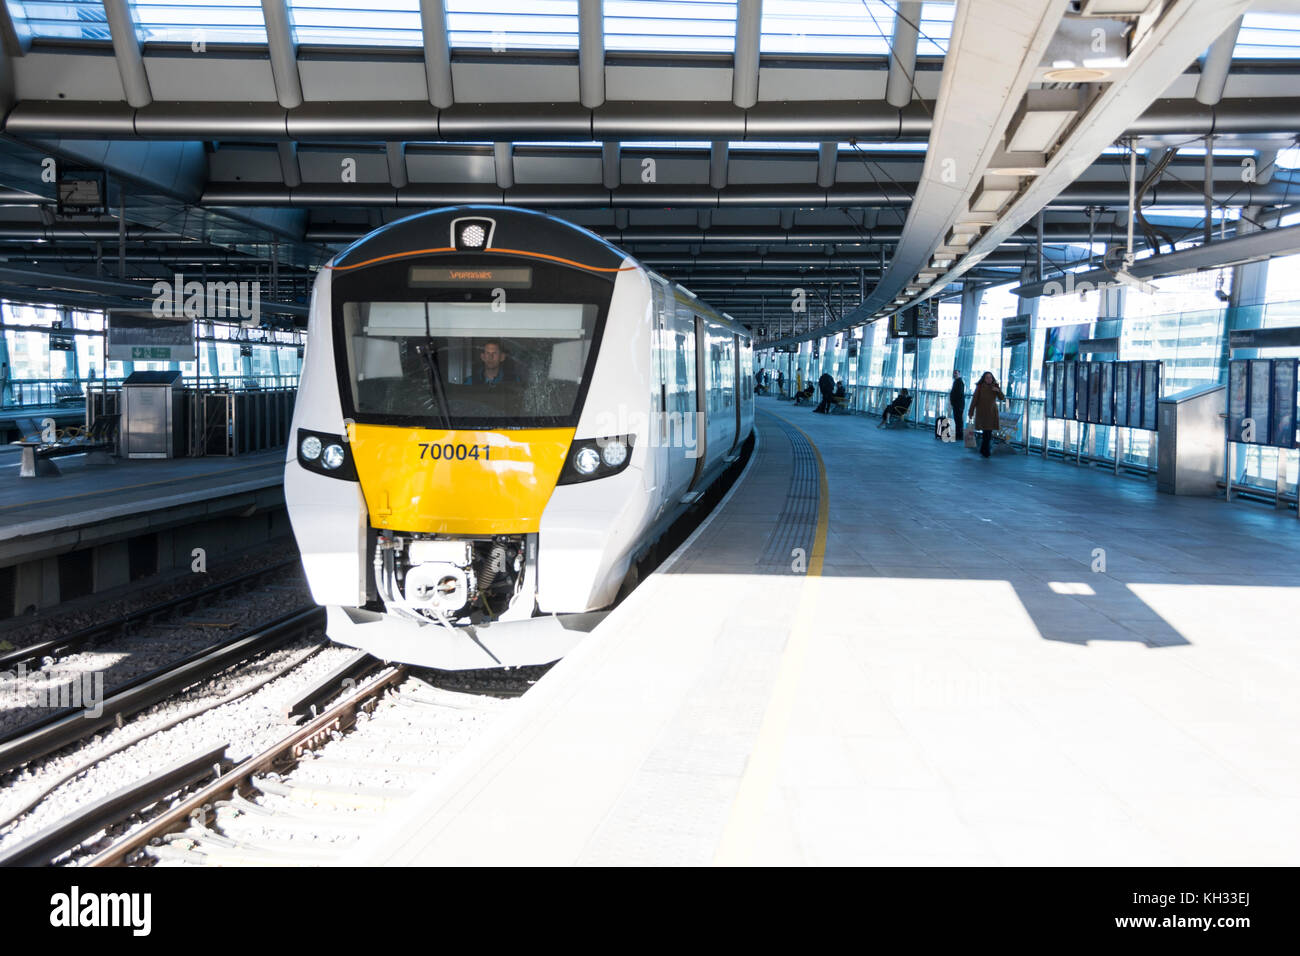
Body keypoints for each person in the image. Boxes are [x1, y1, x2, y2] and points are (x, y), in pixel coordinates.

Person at [968, 371, 1005, 458]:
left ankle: (985, 450)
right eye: (987, 377)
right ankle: (985, 450)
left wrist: (998, 391)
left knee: (988, 432)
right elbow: (974, 400)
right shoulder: (980, 387)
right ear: (984, 379)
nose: (989, 379)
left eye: (990, 377)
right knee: (986, 432)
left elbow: (1002, 398)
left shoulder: (995, 386)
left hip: (992, 413)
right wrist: (971, 412)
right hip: (982, 413)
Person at [949, 370, 965, 441]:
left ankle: (959, 435)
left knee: (958, 420)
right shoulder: (957, 381)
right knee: (957, 419)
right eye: (954, 373)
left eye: (956, 373)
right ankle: (958, 434)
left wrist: (954, 401)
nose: (954, 374)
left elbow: (959, 394)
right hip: (957, 404)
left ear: (959, 374)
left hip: (958, 404)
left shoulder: (959, 382)